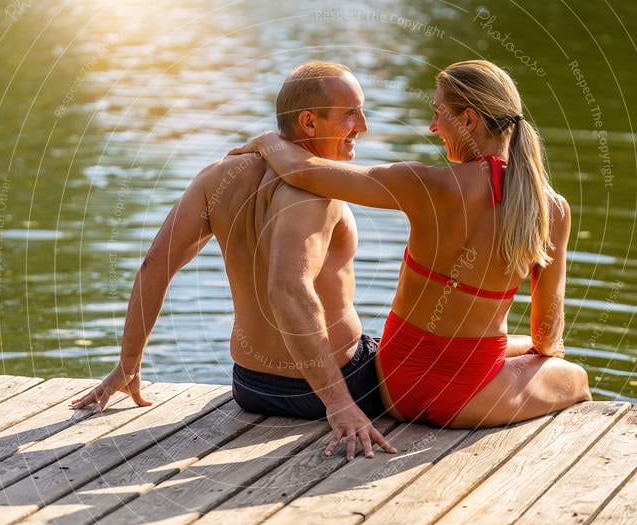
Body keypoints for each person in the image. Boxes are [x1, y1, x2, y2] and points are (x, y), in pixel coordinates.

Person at [229, 59, 593, 428]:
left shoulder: (423, 184)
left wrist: (268, 141)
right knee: (573, 376)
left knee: (523, 349)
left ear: (468, 121)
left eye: (439, 113)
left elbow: (307, 173)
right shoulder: (550, 210)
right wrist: (546, 355)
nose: (433, 126)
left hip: (396, 387)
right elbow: (546, 335)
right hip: (466, 399)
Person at [71, 61, 398, 460]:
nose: (362, 125)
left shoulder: (216, 177)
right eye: (351, 113)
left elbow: (154, 265)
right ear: (309, 123)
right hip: (340, 383)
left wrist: (127, 364)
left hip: (252, 387)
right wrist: (339, 403)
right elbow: (289, 290)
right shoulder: (317, 192)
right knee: (457, 350)